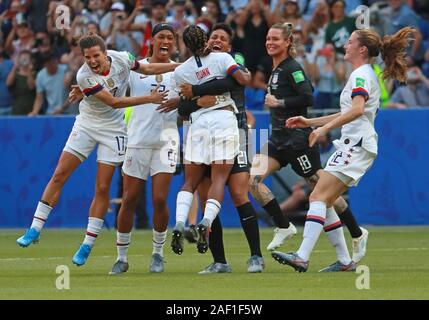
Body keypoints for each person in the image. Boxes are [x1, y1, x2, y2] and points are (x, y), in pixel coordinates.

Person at [16, 32, 179, 268]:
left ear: (105, 52)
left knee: (102, 187)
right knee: (60, 174)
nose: (92, 61)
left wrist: (182, 65)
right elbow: (114, 102)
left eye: (95, 56)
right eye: (87, 57)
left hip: (114, 130)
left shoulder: (123, 58)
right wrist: (150, 98)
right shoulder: (83, 76)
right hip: (87, 124)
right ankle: (35, 228)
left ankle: (87, 244)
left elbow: (148, 70)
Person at [273, 27, 414, 272]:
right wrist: (310, 122)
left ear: (361, 49)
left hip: (356, 145)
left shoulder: (361, 75)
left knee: (317, 197)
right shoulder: (365, 73)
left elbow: (357, 110)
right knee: (324, 201)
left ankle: (302, 256)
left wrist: (324, 129)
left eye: (349, 42)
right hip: (357, 144)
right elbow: (348, 111)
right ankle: (345, 261)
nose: (345, 46)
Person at [249, 22, 368, 263]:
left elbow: (307, 96)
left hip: (298, 141)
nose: (270, 42)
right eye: (268, 38)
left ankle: (356, 232)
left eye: (275, 39)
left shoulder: (293, 68)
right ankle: (284, 226)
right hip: (278, 140)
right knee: (253, 180)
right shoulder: (275, 69)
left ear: (287, 43)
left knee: (323, 193)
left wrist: (279, 103)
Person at [173, 23, 264, 273]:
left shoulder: (230, 61)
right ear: (206, 40)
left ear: (229, 45)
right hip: (212, 128)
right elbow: (182, 109)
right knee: (206, 196)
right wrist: (198, 101)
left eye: (222, 38)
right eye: (214, 36)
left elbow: (238, 84)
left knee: (238, 194)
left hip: (237, 130)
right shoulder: (212, 64)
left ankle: (256, 256)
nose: (217, 40)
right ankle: (220, 261)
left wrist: (197, 91)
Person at [109, 23, 180, 275]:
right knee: (129, 199)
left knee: (160, 199)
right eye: (161, 37)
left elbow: (192, 99)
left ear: (174, 43)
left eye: (170, 38)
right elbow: (112, 90)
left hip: (166, 142)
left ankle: (158, 255)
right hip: (137, 140)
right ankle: (121, 257)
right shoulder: (134, 69)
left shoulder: (180, 72)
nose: (165, 41)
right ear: (152, 41)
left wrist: (180, 102)